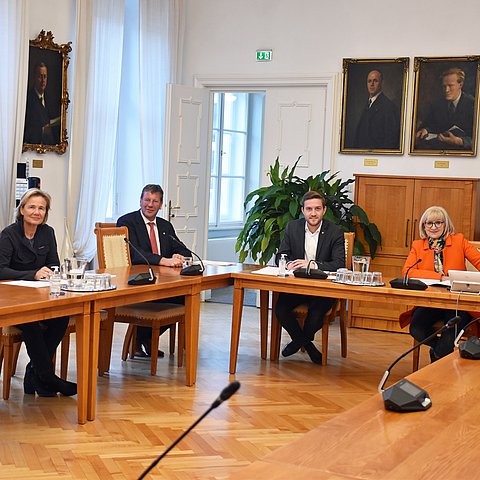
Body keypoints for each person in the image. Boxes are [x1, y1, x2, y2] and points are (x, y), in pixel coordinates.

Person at [0, 189, 77, 397]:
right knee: (31, 323)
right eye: (32, 207)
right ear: (22, 210)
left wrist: (50, 273)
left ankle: (34, 373)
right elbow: (1, 269)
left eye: (41, 208)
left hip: (41, 296)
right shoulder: (9, 234)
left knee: (61, 317)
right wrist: (32, 274)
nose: (37, 212)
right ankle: (47, 377)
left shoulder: (47, 232)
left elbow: (53, 263)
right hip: (13, 300)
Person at [117, 184, 191, 357]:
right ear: (140, 201)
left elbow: (184, 249)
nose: (150, 205)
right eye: (147, 200)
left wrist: (179, 255)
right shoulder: (127, 222)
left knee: (184, 297)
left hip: (163, 281)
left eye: (155, 201)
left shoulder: (165, 226)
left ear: (161, 204)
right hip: (137, 281)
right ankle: (144, 339)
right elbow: (135, 254)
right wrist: (164, 260)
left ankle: (145, 337)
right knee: (163, 299)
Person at [400, 206, 480, 361]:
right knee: (416, 328)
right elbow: (408, 272)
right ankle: (439, 354)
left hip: (457, 302)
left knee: (449, 336)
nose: (433, 227)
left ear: (446, 224)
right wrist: (440, 277)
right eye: (429, 223)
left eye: (438, 222)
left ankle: (436, 364)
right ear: (423, 226)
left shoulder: (459, 240)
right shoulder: (418, 245)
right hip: (430, 302)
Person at [275, 191, 345, 364]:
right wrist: (288, 262)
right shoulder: (293, 227)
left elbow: (339, 263)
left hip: (323, 288)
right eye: (309, 209)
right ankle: (308, 346)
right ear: (302, 210)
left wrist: (313, 264)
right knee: (280, 309)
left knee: (316, 315)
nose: (313, 213)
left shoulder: (334, 231)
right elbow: (280, 256)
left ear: (324, 210)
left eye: (317, 209)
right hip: (297, 285)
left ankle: (297, 342)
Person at [415, 68, 475, 150]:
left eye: (450, 86)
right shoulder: (437, 104)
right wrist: (426, 130)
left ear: (460, 85)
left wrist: (460, 141)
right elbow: (431, 124)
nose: (446, 90)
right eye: (444, 86)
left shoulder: (473, 105)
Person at [354, 69, 400, 149]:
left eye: (375, 81)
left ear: (382, 83)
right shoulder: (366, 104)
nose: (371, 84)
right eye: (369, 81)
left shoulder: (389, 107)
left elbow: (390, 139)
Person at [23, 62, 60, 145]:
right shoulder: (27, 99)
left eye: (45, 76)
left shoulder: (50, 99)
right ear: (34, 78)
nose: (43, 80)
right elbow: (25, 130)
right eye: (40, 76)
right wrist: (43, 131)